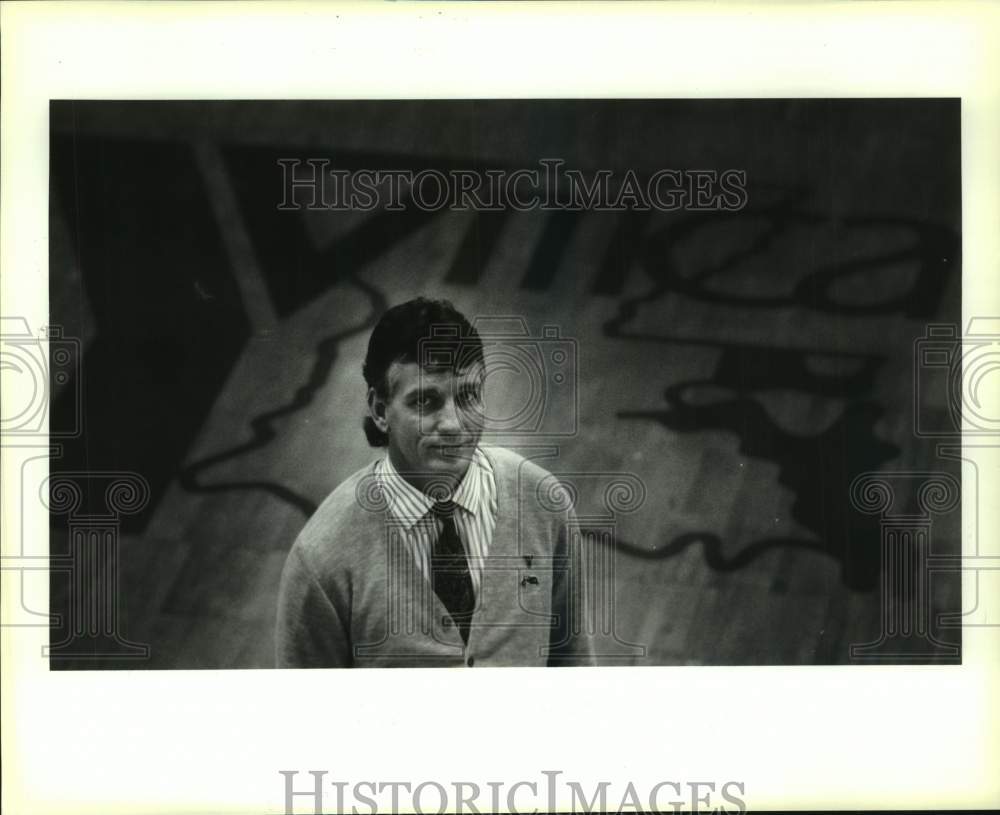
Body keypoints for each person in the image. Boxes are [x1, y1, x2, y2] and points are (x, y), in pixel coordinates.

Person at [276, 297, 596, 668]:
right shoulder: (321, 559)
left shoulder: (543, 503)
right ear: (380, 410)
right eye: (426, 401)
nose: (453, 423)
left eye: (468, 395)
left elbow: (573, 672)